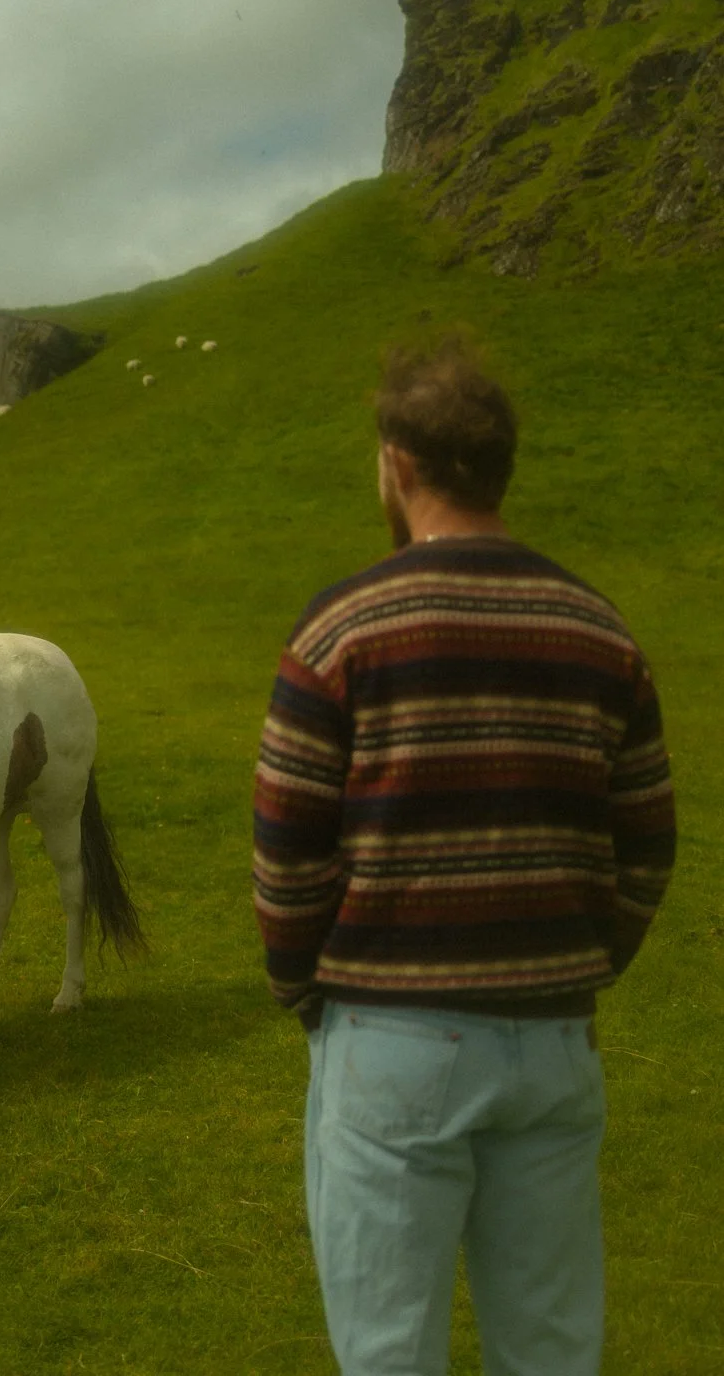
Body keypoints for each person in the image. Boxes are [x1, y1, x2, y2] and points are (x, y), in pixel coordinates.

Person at [253, 338, 675, 1376]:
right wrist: (578, 961)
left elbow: (287, 849)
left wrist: (307, 989)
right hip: (553, 1043)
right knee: (552, 1349)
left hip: (393, 1036)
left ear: (398, 463)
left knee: (391, 1350)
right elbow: (647, 841)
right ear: (500, 466)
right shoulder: (598, 628)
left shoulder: (344, 627)